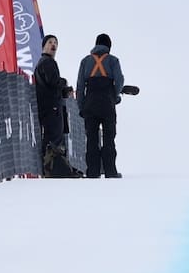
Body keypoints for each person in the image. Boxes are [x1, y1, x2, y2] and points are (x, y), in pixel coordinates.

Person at [76, 33, 130, 179]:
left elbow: (80, 86)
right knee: (109, 137)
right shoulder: (113, 60)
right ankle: (110, 171)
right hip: (107, 103)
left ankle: (92, 172)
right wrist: (114, 96)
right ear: (109, 47)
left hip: (90, 103)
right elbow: (119, 81)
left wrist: (81, 106)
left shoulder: (85, 61)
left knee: (91, 139)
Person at [35, 35, 76, 177]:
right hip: (51, 107)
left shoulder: (46, 62)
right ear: (44, 45)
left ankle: (54, 168)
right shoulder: (47, 62)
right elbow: (53, 82)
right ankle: (53, 169)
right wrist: (63, 84)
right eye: (50, 42)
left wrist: (63, 89)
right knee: (54, 139)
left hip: (50, 106)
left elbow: (50, 84)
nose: (53, 45)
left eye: (55, 43)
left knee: (53, 137)